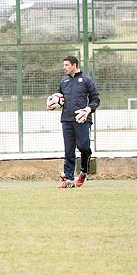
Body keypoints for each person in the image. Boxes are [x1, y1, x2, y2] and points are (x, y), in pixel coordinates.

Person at [54, 55, 100, 188]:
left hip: (82, 120)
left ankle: (84, 171)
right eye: (64, 65)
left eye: (67, 65)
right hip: (66, 120)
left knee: (84, 147)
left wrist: (88, 110)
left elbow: (95, 100)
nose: (64, 68)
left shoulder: (86, 80)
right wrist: (53, 104)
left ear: (74, 65)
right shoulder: (63, 82)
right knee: (68, 150)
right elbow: (59, 100)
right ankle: (69, 180)